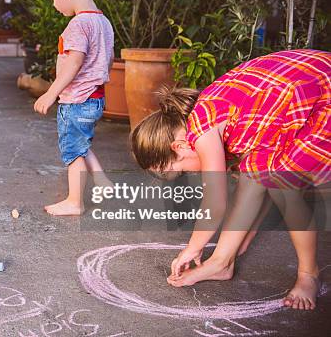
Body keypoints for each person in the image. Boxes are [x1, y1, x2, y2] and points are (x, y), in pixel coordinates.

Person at [131, 49, 330, 310]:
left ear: (179, 147)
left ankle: (308, 275)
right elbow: (259, 179)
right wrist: (239, 240)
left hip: (320, 95)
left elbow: (216, 203)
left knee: (285, 187)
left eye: (182, 170)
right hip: (307, 79)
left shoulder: (201, 131)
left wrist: (193, 248)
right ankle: (223, 262)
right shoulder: (208, 113)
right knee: (256, 174)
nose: (192, 173)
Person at [33, 0, 114, 216]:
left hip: (77, 100)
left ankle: (74, 201)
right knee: (80, 142)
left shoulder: (78, 25)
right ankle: (102, 181)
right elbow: (109, 59)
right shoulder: (103, 22)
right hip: (95, 97)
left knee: (72, 151)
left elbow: (73, 64)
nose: (54, 3)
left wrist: (51, 93)